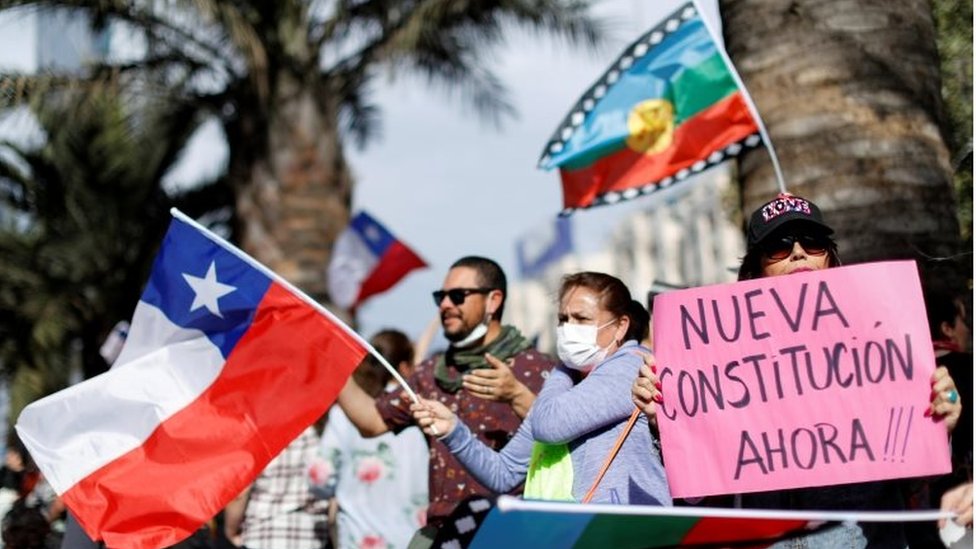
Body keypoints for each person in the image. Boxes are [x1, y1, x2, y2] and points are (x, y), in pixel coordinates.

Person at [633, 193, 963, 547]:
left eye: (813, 242)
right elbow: (698, 496)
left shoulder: (879, 342)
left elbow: (916, 478)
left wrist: (939, 425)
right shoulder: (719, 365)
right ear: (755, 269)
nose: (798, 252)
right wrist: (665, 422)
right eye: (778, 245)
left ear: (830, 258)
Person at [336, 256, 553, 544]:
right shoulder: (430, 373)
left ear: (493, 301)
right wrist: (334, 365)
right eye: (441, 297)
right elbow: (373, 422)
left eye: (458, 296)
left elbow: (562, 440)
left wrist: (517, 395)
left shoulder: (537, 370)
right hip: (442, 531)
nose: (445, 305)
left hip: (508, 531)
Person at [411, 271, 671, 506]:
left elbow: (549, 425)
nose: (568, 329)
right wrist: (454, 431)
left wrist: (561, 370)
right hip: (579, 533)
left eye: (581, 318)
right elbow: (504, 472)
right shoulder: (571, 383)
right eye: (563, 319)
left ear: (620, 326)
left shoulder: (632, 367)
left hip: (633, 531)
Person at [311, 329, 428, 549]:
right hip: (414, 539)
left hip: (359, 537)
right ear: (404, 367)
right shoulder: (425, 409)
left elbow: (320, 476)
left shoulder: (345, 413)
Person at [223, 427, 328, 549]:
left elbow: (240, 492)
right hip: (310, 535)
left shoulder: (259, 435)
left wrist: (230, 530)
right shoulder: (320, 432)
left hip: (262, 534)